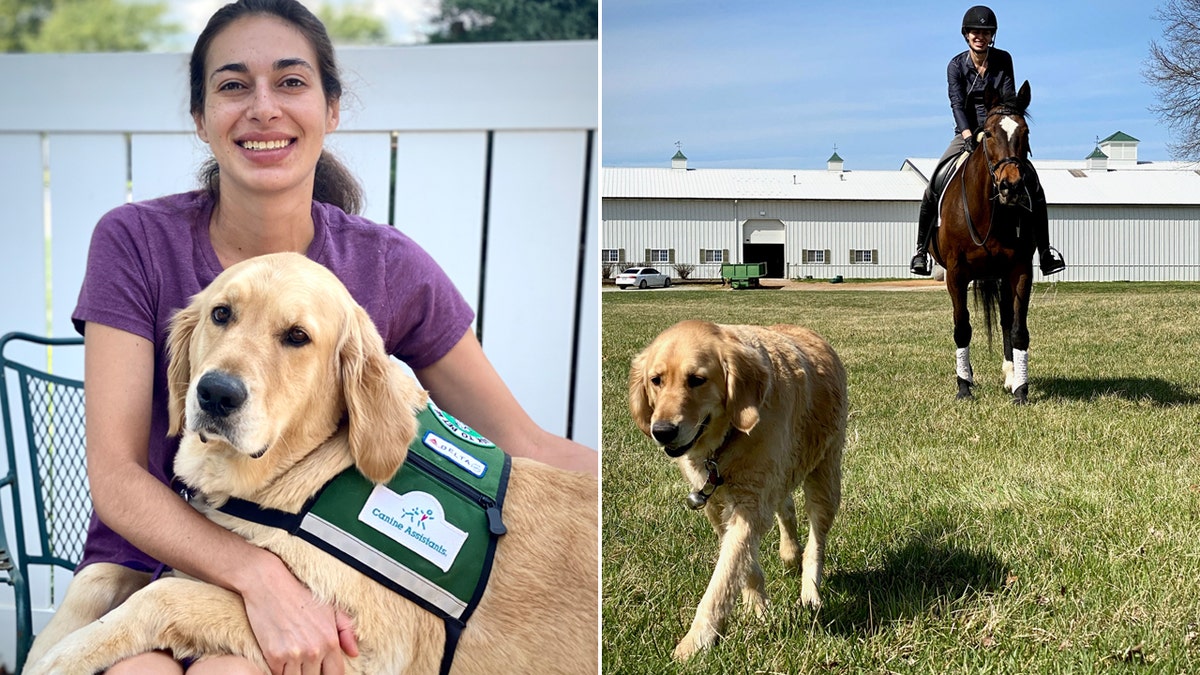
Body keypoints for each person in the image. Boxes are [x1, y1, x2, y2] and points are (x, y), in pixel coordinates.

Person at [49, 1, 597, 673]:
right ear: (201, 117)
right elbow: (117, 475)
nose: (262, 107)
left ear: (331, 109)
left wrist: (646, 496)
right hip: (141, 562)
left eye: (290, 81)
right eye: (232, 85)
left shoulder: (388, 268)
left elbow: (525, 444)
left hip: (314, 570)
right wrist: (254, 575)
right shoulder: (133, 241)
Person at [910, 5, 1066, 277]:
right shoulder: (955, 66)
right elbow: (957, 103)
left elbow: (1008, 97)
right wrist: (969, 135)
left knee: (1034, 185)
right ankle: (921, 251)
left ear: (992, 35)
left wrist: (999, 129)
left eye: (985, 32)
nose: (980, 36)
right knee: (934, 183)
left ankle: (1044, 252)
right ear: (966, 35)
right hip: (967, 133)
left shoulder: (1004, 59)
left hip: (999, 131)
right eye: (975, 32)